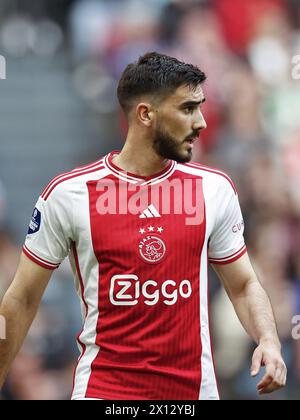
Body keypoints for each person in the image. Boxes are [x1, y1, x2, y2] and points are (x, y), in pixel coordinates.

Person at [0, 52, 287, 400]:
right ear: (145, 114)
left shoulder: (214, 189)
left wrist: (269, 340)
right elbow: (22, 298)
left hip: (192, 396)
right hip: (105, 395)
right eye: (187, 108)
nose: (201, 123)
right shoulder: (68, 194)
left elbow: (243, 285)